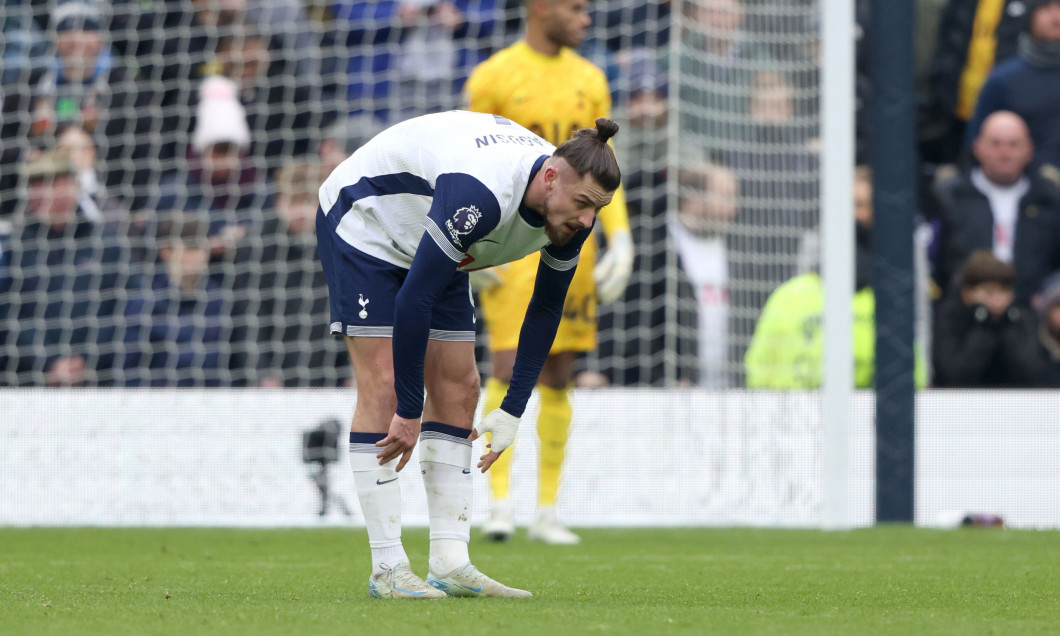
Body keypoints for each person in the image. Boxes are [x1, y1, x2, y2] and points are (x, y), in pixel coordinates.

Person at [316, 110, 621, 598]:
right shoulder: (480, 193)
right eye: (583, 204)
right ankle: (388, 568)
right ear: (549, 177)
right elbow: (413, 299)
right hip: (367, 219)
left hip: (431, 235)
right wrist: (409, 410)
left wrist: (514, 409)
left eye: (597, 210)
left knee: (462, 388)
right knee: (385, 385)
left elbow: (544, 308)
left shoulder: (573, 214)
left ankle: (450, 561)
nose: (588, 221)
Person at [463, 0, 634, 545]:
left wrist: (620, 235)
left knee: (560, 370)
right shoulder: (494, 76)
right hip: (511, 240)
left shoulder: (590, 78)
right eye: (577, 8)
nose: (586, 19)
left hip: (575, 241)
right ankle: (498, 504)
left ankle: (547, 509)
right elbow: (472, 157)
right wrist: (471, 245)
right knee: (510, 359)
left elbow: (604, 172)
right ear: (541, 7)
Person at [932, 110, 1060, 306]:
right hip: (962, 314)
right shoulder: (950, 197)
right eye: (995, 143)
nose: (1004, 152)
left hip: (1031, 315)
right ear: (977, 147)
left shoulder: (1049, 200)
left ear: (1029, 150)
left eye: (1013, 144)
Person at [966, 0, 1060, 167]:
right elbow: (975, 147)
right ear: (1030, 15)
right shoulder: (1002, 80)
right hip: (1025, 187)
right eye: (1045, 8)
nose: (1056, 17)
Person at [933, 249, 1046, 386]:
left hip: (1013, 403)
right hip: (961, 403)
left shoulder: (1019, 318)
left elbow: (1034, 373)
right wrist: (984, 327)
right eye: (989, 292)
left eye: (1004, 292)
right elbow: (953, 374)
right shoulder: (950, 318)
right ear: (967, 293)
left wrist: (1006, 327)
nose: (998, 301)